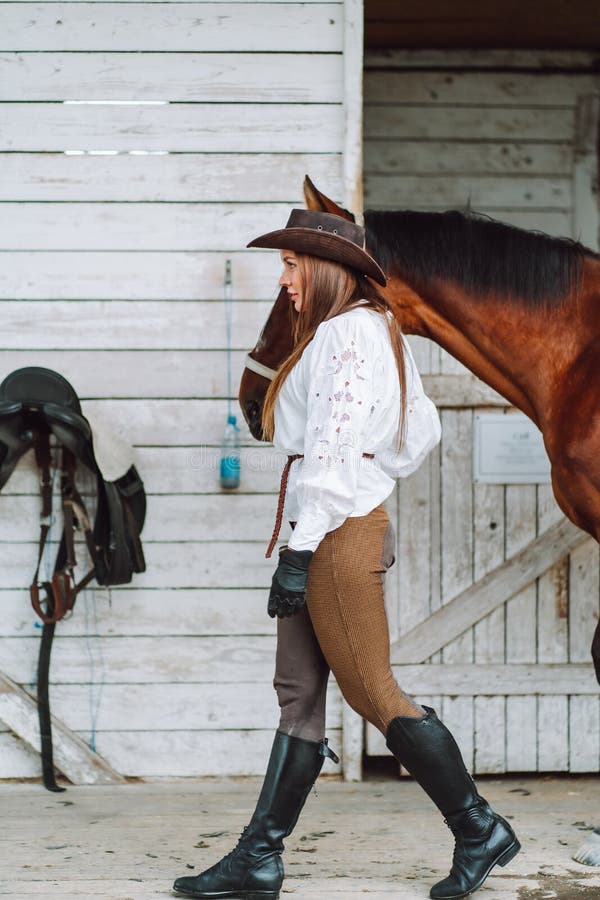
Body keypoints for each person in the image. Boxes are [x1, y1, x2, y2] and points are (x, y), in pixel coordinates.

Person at [173, 209, 520, 900]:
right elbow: (419, 429)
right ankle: (258, 860)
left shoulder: (346, 335)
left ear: (327, 268)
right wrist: (368, 465)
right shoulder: (370, 330)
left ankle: (479, 828)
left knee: (372, 691)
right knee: (298, 694)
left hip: (334, 531)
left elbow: (332, 450)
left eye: (293, 264)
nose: (285, 278)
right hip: (326, 519)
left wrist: (304, 546)